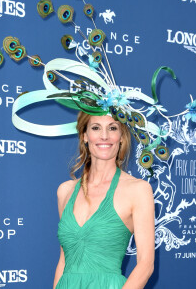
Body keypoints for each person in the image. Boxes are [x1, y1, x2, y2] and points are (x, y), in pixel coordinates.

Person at [53, 112, 155, 289]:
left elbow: (145, 265)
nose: (104, 136)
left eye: (112, 128)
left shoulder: (138, 190)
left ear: (121, 137)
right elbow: (64, 260)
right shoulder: (65, 191)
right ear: (85, 136)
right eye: (96, 128)